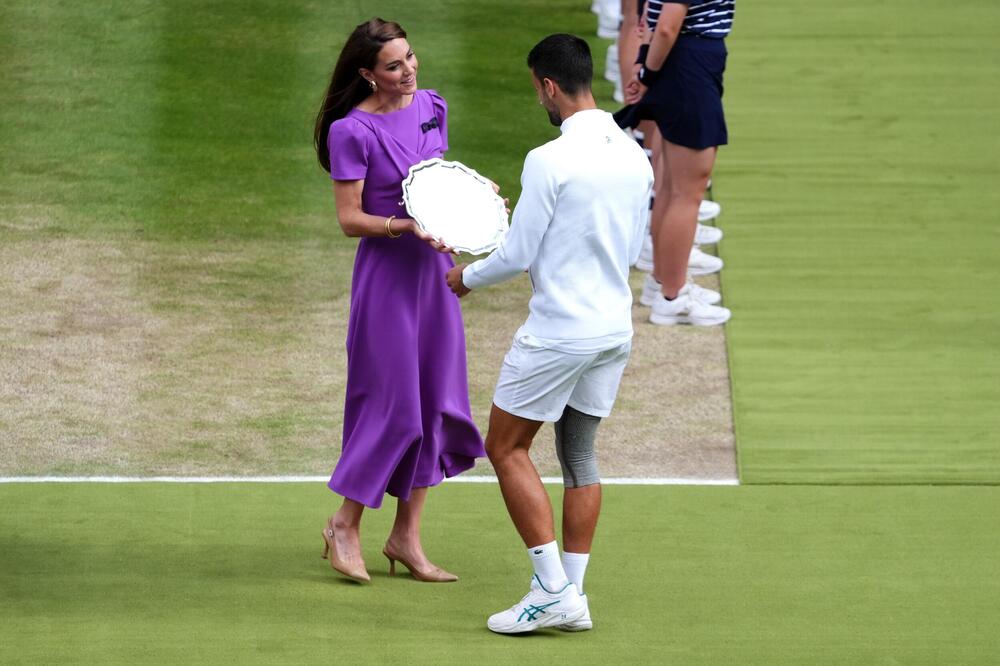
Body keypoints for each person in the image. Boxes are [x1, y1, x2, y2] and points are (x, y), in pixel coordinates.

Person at [445, 34, 653, 633]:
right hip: (614, 328)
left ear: (548, 86)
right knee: (579, 454)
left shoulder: (548, 159)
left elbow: (515, 255)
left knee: (505, 446)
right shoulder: (634, 154)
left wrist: (466, 277)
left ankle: (551, 588)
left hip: (561, 331)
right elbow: (628, 245)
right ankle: (572, 598)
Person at [313, 17, 486, 583]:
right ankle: (344, 524)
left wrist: (473, 209)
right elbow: (348, 219)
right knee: (393, 409)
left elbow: (441, 185)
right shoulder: (351, 131)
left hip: (435, 279)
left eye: (410, 57)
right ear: (368, 73)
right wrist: (405, 226)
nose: (409, 69)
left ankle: (406, 539)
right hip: (387, 282)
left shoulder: (433, 104)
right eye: (394, 65)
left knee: (435, 403)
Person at [617, 0, 734, 326]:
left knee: (671, 185)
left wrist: (646, 68)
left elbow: (653, 18)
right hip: (687, 66)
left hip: (681, 63)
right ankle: (673, 295)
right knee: (687, 190)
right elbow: (666, 24)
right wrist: (646, 74)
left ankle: (662, 283)